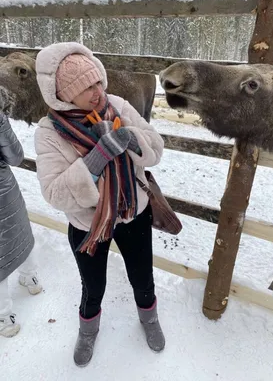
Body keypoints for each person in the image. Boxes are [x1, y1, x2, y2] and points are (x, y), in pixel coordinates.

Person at [34, 42, 165, 367]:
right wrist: (97, 158)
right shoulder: (49, 132)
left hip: (133, 210)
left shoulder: (118, 105)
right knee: (93, 286)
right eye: (84, 87)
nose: (97, 92)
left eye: (97, 82)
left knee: (142, 276)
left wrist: (132, 138)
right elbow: (53, 193)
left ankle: (148, 318)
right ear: (62, 94)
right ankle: (88, 330)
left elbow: (157, 147)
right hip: (87, 224)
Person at [0, 112, 42, 338]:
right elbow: (16, 157)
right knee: (19, 234)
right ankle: (31, 278)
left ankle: (4, 318)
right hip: (5, 191)